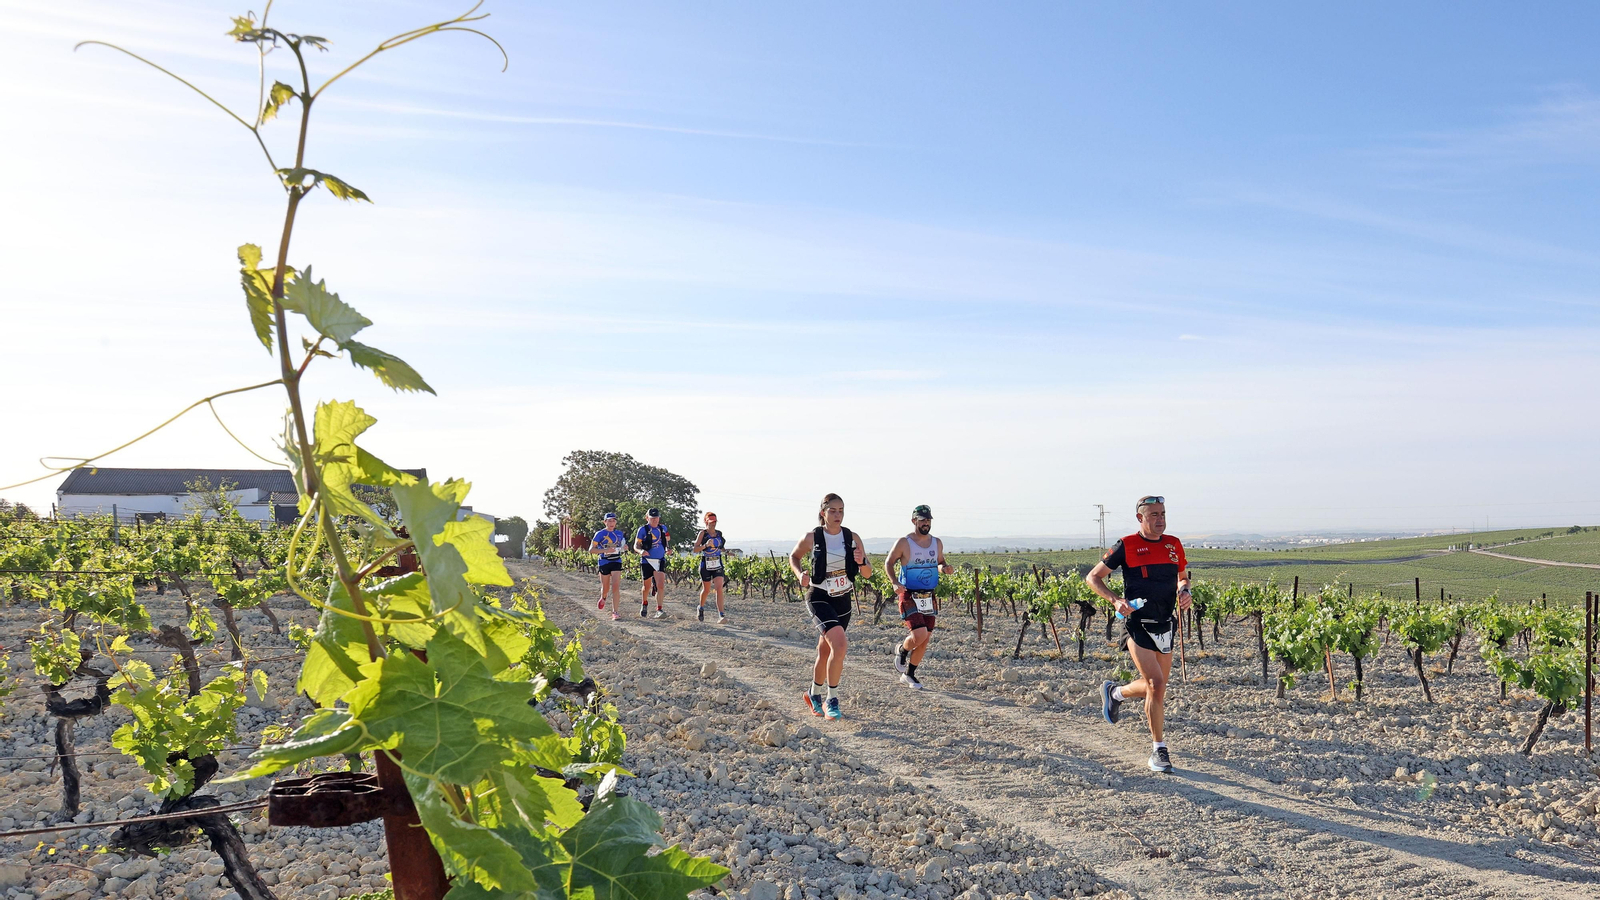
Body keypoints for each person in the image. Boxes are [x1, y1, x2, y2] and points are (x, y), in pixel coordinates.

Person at [1086, 495, 1191, 774]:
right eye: (1154, 514)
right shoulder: (1126, 545)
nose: (1160, 519)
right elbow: (1093, 577)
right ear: (1140, 519)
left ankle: (1115, 692)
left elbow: (1182, 575)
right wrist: (1114, 600)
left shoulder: (1174, 544)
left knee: (1156, 687)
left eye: (1163, 513)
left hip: (1166, 623)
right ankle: (1159, 751)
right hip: (1137, 624)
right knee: (1156, 684)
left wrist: (1184, 590)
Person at [789, 493, 872, 720]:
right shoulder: (812, 537)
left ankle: (812, 694)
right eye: (833, 511)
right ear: (823, 513)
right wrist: (800, 575)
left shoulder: (852, 537)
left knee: (825, 650)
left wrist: (861, 561)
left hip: (843, 600)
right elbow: (794, 557)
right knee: (840, 645)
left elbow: (867, 573)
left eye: (841, 510)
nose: (838, 515)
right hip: (819, 596)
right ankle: (831, 699)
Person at [882, 504, 952, 690]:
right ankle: (902, 650)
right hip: (909, 593)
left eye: (928, 520)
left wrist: (944, 568)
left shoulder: (936, 543)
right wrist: (895, 582)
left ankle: (909, 674)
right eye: (922, 520)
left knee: (925, 637)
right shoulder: (904, 543)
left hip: (928, 595)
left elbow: (939, 561)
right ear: (914, 521)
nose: (926, 523)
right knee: (918, 633)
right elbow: (888, 562)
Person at [691, 512, 729, 624]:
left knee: (719, 588)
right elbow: (695, 549)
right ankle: (701, 607)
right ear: (706, 522)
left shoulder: (719, 534)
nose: (713, 525)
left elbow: (721, 547)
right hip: (706, 564)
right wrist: (706, 545)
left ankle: (721, 615)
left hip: (717, 563)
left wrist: (727, 552)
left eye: (715, 522)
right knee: (706, 590)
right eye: (711, 522)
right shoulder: (703, 533)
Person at [588, 512, 627, 621]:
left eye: (613, 520)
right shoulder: (600, 534)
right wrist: (605, 550)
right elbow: (591, 550)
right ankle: (603, 597)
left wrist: (624, 547)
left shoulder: (619, 534)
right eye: (609, 521)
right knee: (606, 587)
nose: (611, 523)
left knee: (615, 586)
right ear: (605, 522)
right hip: (604, 561)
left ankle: (615, 612)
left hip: (616, 561)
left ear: (616, 522)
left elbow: (622, 546)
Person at [634, 508, 671, 619]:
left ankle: (659, 609)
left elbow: (667, 542)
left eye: (657, 518)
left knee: (660, 585)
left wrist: (668, 550)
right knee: (646, 586)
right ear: (647, 518)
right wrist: (641, 551)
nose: (655, 520)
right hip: (647, 560)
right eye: (652, 518)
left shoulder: (663, 528)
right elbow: (636, 545)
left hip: (660, 560)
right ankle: (644, 603)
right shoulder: (642, 530)